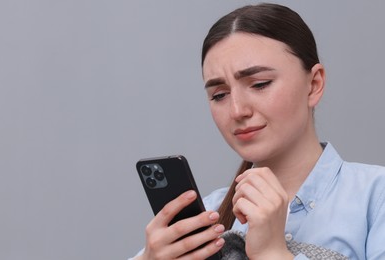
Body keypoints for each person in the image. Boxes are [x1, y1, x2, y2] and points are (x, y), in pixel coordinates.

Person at [130, 3, 385, 259]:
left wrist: (272, 253)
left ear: (314, 84)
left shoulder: (375, 197)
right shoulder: (204, 218)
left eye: (260, 84)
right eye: (219, 95)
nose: (238, 110)